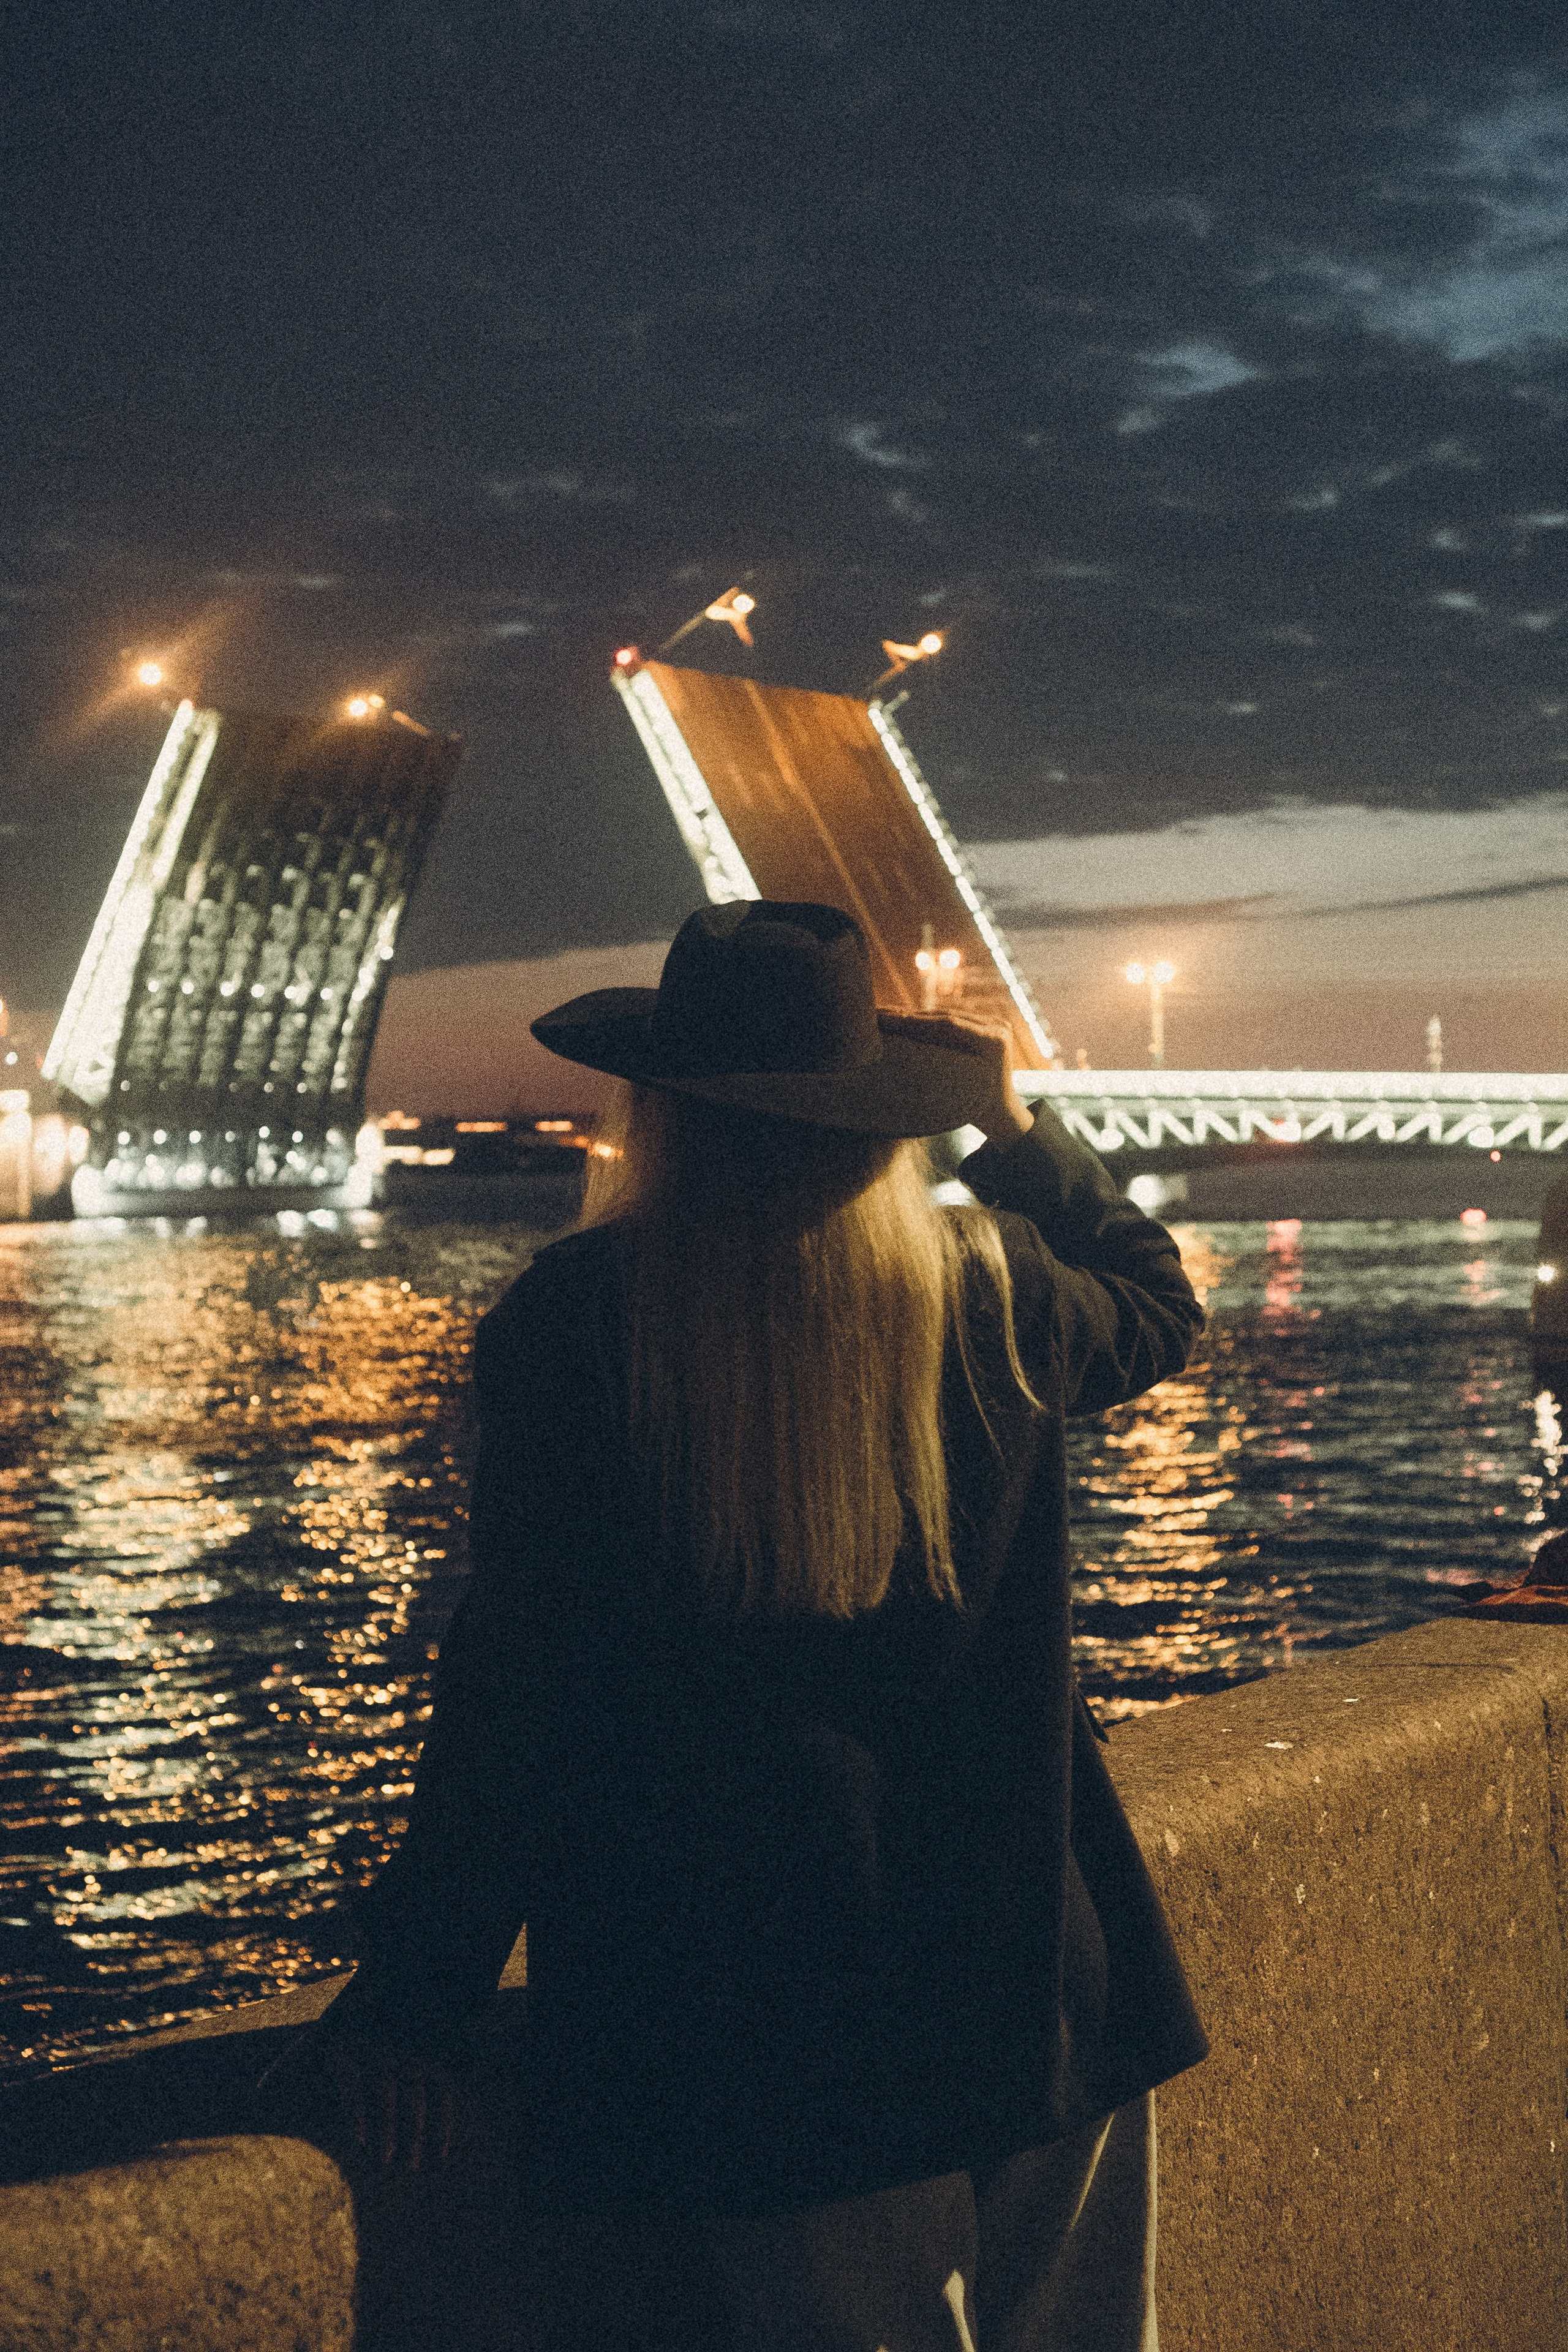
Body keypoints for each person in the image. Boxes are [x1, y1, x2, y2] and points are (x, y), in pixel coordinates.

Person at [304, 900, 1209, 2349]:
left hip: (759, 2021)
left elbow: (517, 1692)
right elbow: (1159, 1308)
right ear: (877, 1122)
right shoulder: (996, 1292)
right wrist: (1013, 1123)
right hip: (1038, 1968)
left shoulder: (580, 1322)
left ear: (655, 1111)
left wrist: (419, 1995)